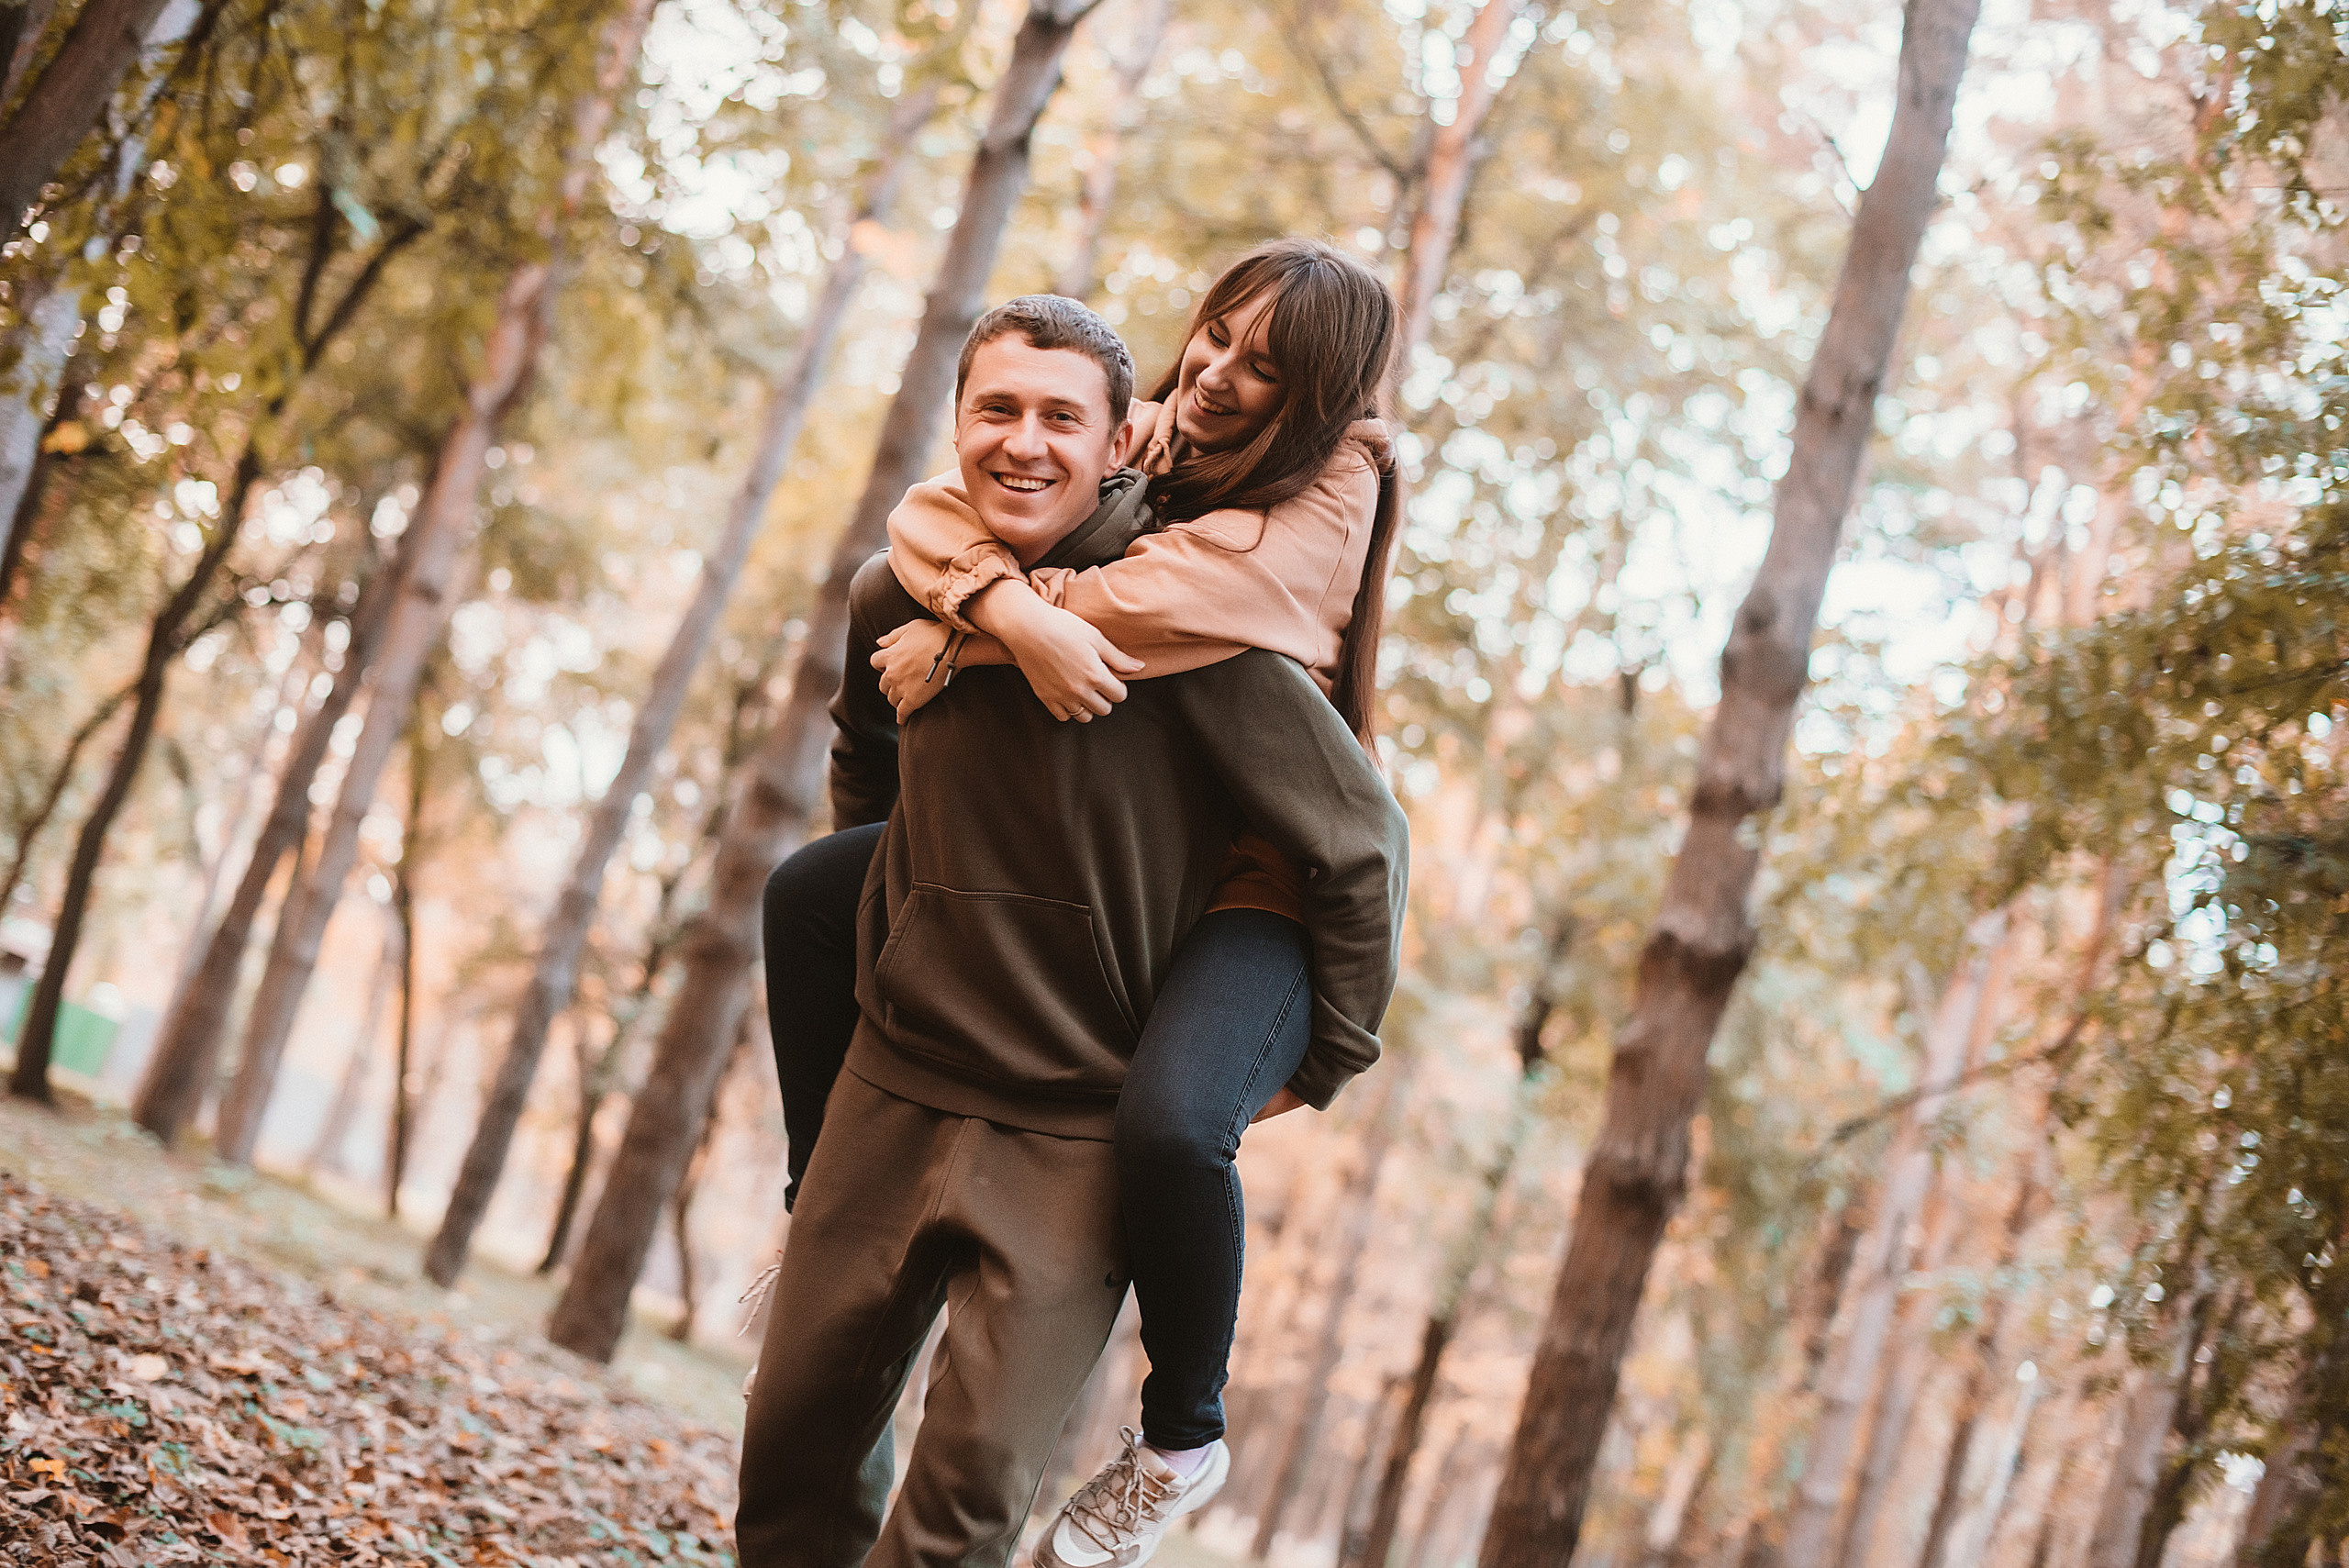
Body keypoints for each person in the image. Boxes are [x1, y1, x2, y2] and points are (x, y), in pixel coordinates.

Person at [735, 293, 1408, 1568]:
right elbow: (867, 733)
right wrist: (910, 884)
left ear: (1115, 445)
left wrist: (1321, 1054)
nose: (1024, 444)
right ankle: (804, 1186)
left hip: (1106, 1076)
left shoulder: (1221, 627)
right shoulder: (917, 587)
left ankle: (1181, 1434)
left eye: (1060, 418)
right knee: (790, 1456)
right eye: (996, 410)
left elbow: (1358, 843)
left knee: (963, 1504)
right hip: (900, 1066)